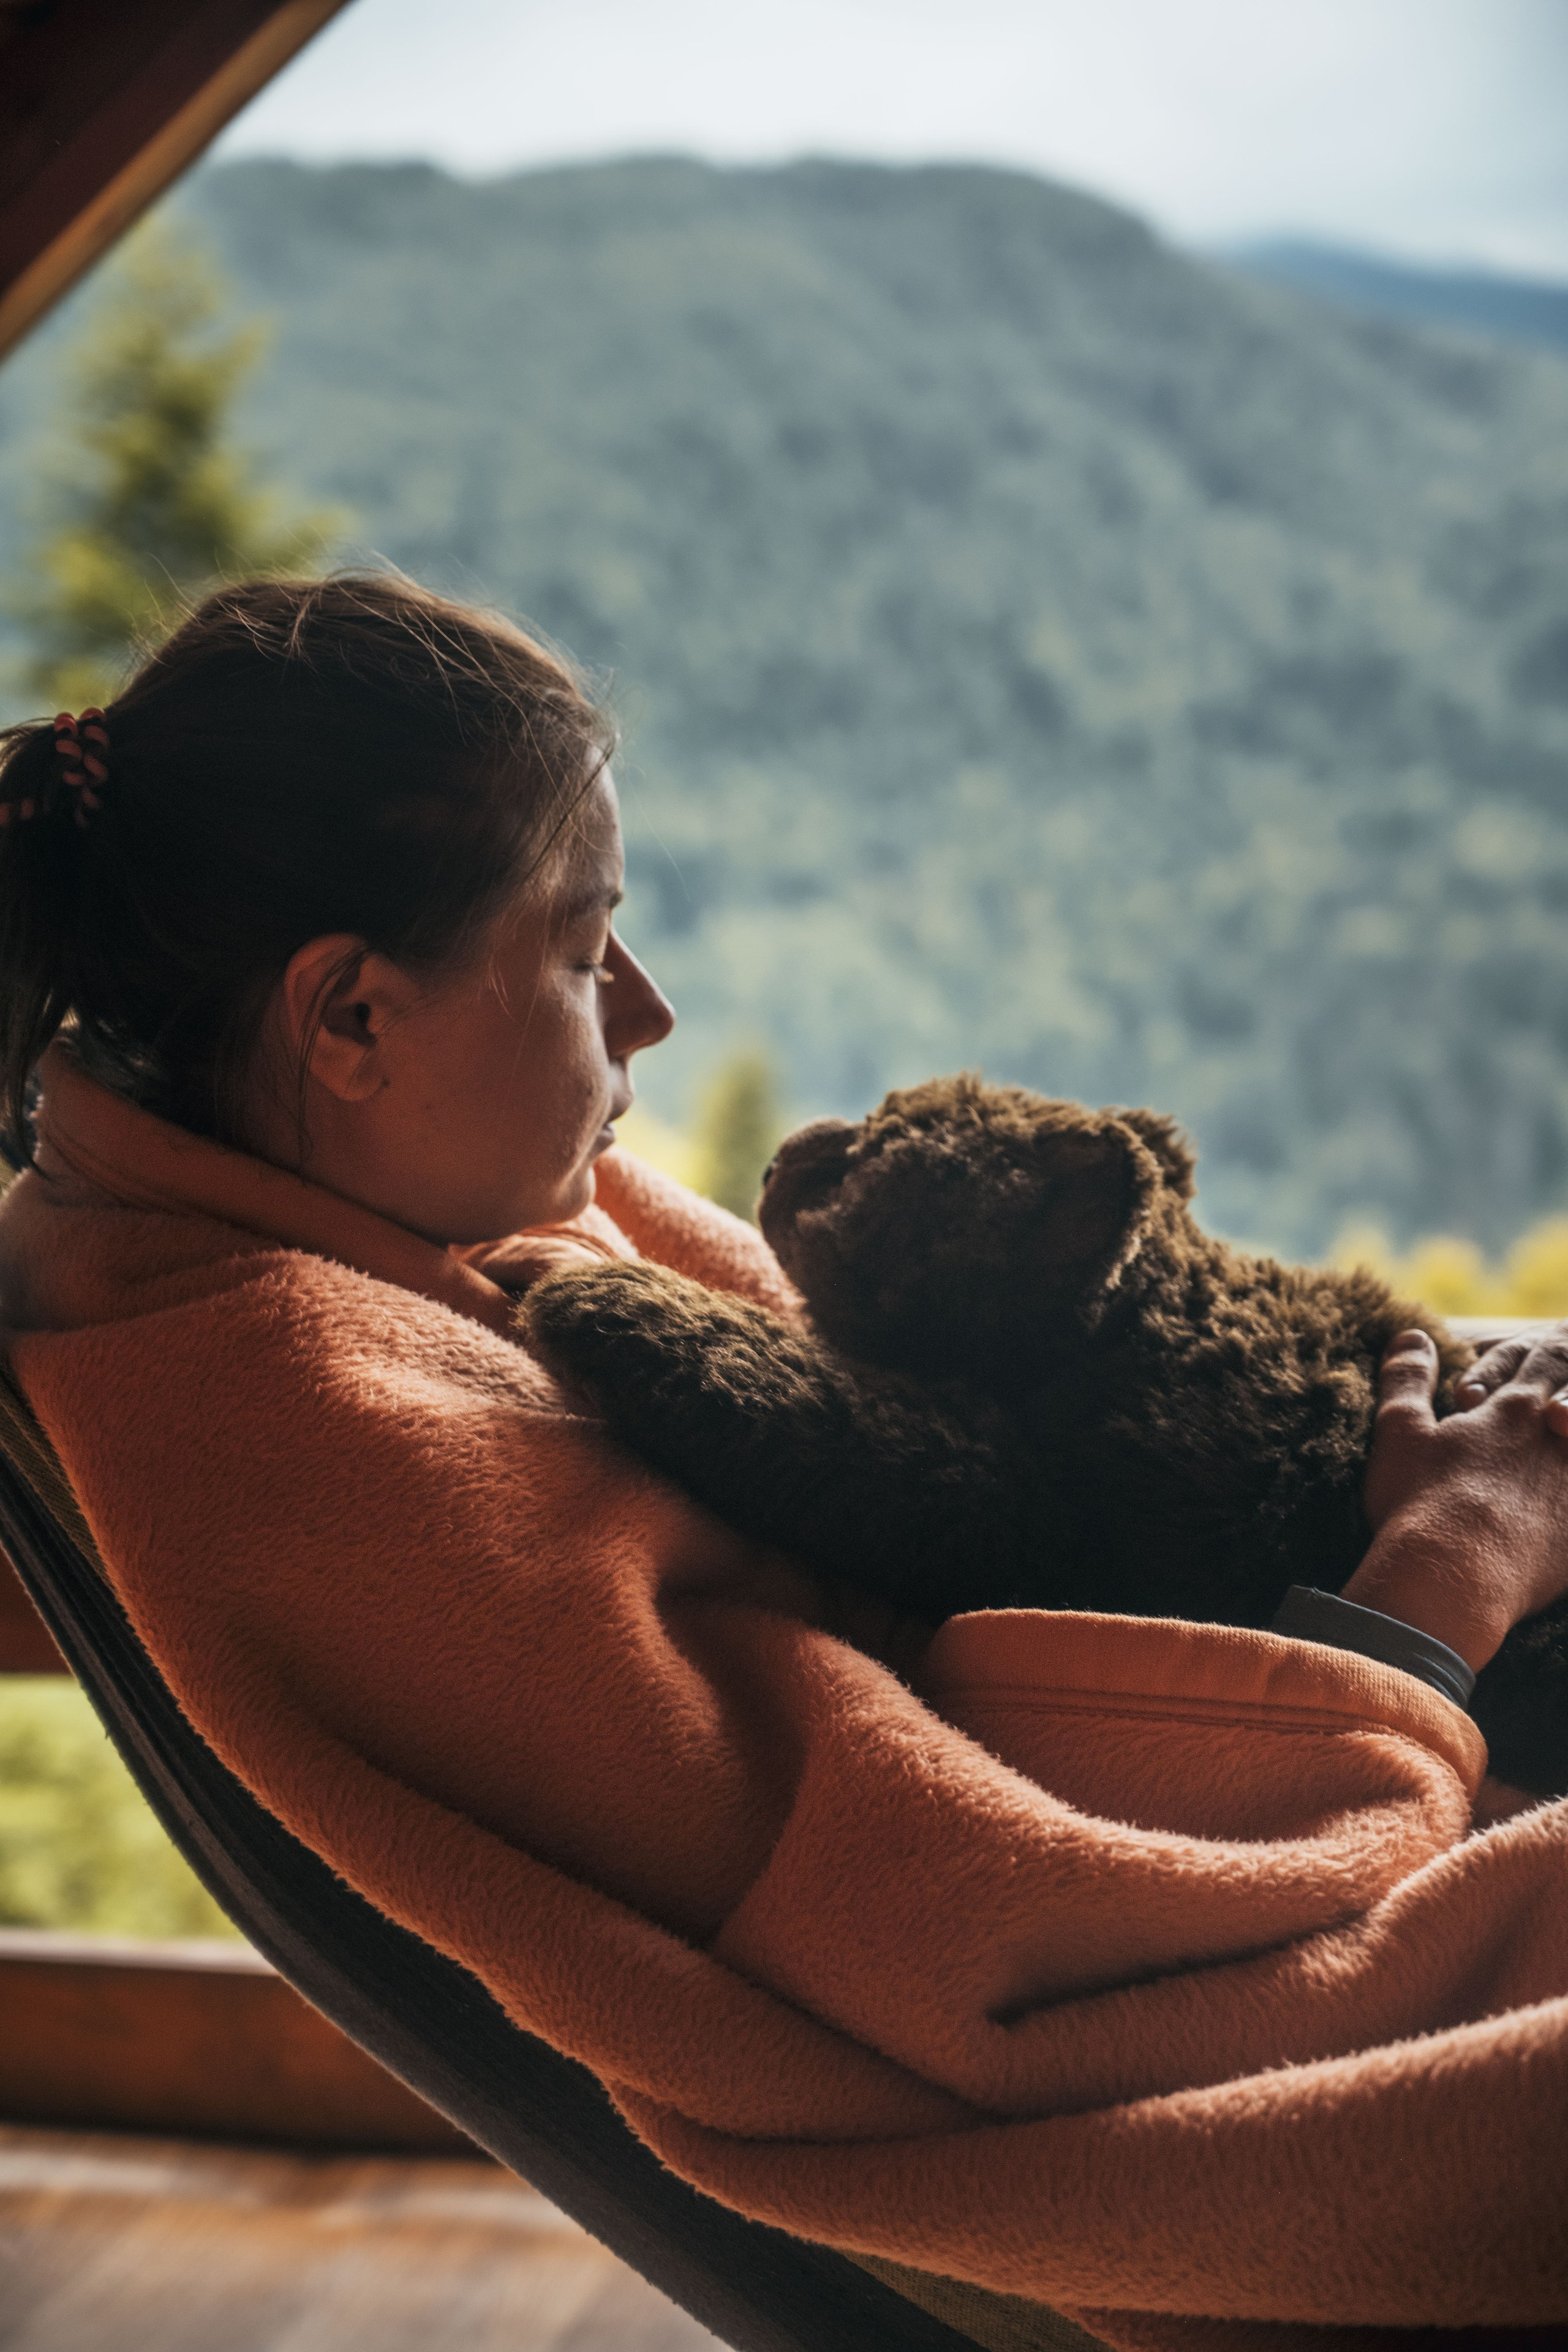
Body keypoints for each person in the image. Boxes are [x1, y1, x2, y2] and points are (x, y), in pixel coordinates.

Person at [0, 575, 1562, 2344]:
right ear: (351, 1020)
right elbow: (1024, 1945)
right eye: (585, 952)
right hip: (1289, 2012)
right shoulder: (343, 1452)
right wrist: (1443, 1578)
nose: (649, 1015)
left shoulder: (376, 1211)